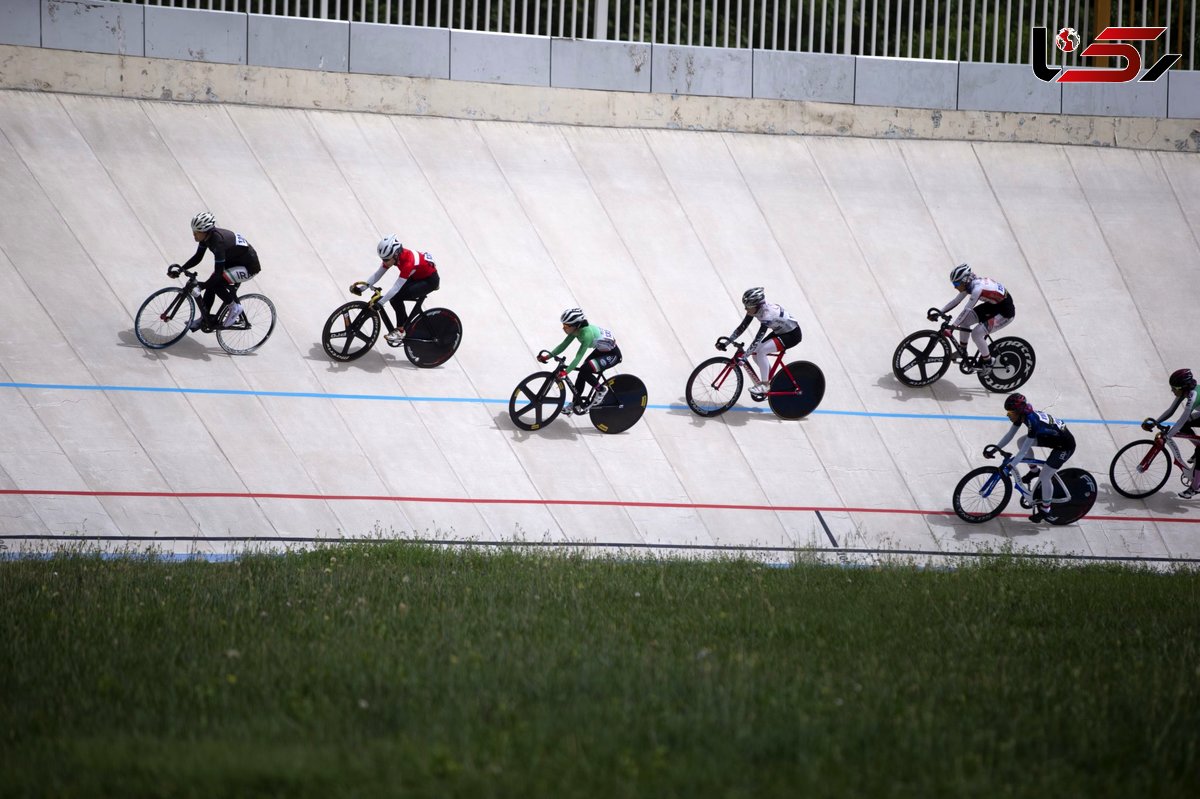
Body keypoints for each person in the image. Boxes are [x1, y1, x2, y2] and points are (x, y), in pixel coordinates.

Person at [984, 393, 1075, 523]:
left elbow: (1023, 452)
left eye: (1011, 412)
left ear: (1019, 410)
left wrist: (1010, 466)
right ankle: (1034, 471)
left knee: (1045, 476)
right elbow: (1010, 435)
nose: (1009, 415)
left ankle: (1046, 510)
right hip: (1051, 438)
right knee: (1021, 441)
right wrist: (995, 449)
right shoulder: (1022, 415)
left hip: (1065, 446)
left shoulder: (1032, 421)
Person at [170, 211, 260, 331]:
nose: (194, 235)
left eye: (196, 232)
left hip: (249, 267)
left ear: (205, 231)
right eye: (193, 231)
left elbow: (218, 274)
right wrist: (182, 269)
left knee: (216, 282)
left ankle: (235, 308)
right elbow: (198, 257)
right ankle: (204, 318)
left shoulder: (218, 242)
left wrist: (202, 286)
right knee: (212, 283)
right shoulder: (205, 238)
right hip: (234, 262)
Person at [352, 235, 439, 345]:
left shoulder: (408, 262)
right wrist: (362, 288)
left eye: (386, 259)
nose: (385, 262)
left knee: (396, 298)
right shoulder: (393, 257)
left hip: (429, 281)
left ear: (396, 254)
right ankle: (408, 327)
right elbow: (378, 274)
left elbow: (396, 287)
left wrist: (381, 303)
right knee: (395, 297)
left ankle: (401, 330)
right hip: (417, 276)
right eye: (383, 259)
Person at [929, 263, 1015, 371]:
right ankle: (962, 351)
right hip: (993, 305)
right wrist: (940, 312)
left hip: (1005, 312)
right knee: (965, 322)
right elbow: (956, 301)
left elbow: (967, 309)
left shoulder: (977, 289)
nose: (955, 286)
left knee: (977, 333)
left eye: (956, 283)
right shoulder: (968, 284)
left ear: (965, 280)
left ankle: (988, 362)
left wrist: (953, 327)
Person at [722, 287, 802, 401]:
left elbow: (757, 338)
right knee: (755, 353)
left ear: (757, 305)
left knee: (762, 351)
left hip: (792, 334)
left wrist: (744, 357)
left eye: (748, 307)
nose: (746, 309)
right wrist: (727, 342)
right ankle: (769, 380)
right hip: (780, 331)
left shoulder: (767, 314)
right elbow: (742, 327)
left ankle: (765, 385)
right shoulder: (755, 308)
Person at [538, 308, 620, 415]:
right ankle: (575, 403)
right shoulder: (575, 330)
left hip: (612, 354)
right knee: (582, 372)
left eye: (566, 326)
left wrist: (566, 372)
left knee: (585, 369)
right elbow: (563, 346)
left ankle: (601, 390)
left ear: (575, 325)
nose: (563, 328)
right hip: (601, 351)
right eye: (564, 325)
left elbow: (578, 357)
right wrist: (547, 357)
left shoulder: (586, 335)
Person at [1142, 368, 1200, 499]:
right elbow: (1171, 411)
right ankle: (1198, 447)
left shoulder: (1193, 396)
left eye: (1174, 388)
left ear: (1183, 387)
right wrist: (1155, 422)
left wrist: (1168, 435)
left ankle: (1195, 487)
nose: (1172, 391)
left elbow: (1182, 419)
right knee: (1186, 427)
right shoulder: (1185, 392)